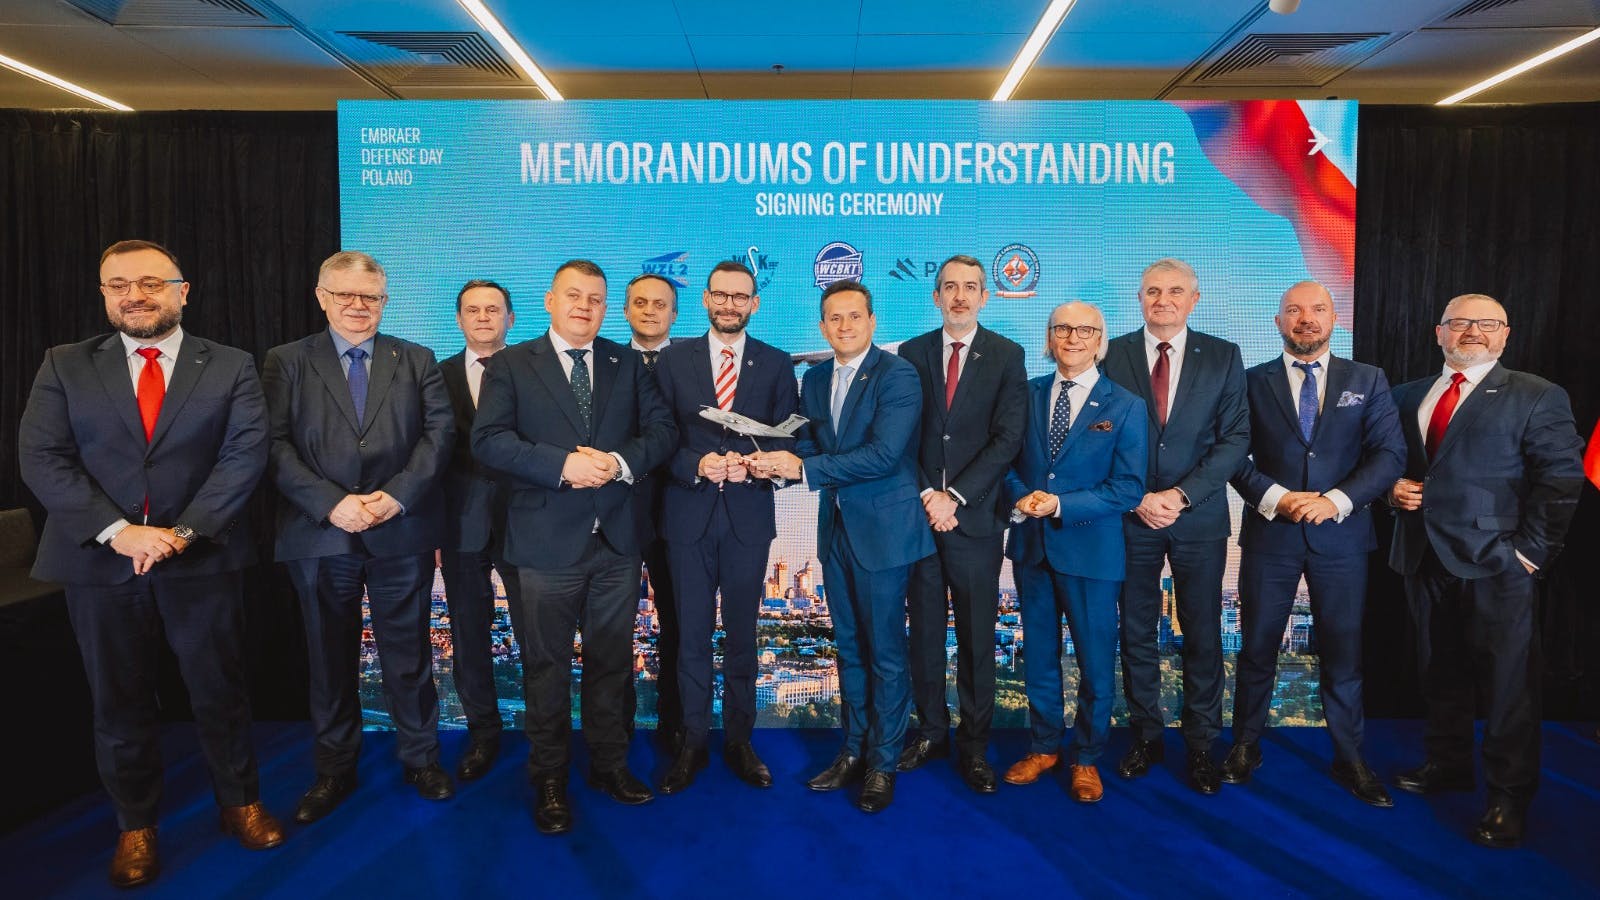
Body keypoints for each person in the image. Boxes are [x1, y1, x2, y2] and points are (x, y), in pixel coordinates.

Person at [18, 239, 283, 887]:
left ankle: (239, 802)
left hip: (202, 560)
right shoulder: (64, 364)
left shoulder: (230, 365)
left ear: (183, 291)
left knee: (220, 692)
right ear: (104, 294)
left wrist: (181, 533)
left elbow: (244, 456)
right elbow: (42, 458)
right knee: (119, 702)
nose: (134, 295)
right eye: (118, 285)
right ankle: (135, 824)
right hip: (100, 563)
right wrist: (119, 533)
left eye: (150, 283)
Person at [472, 259, 676, 834]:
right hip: (543, 544)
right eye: (573, 295)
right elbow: (488, 441)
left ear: (606, 308)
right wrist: (561, 465)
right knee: (546, 669)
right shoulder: (511, 364)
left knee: (612, 663)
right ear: (549, 300)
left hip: (617, 542)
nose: (584, 306)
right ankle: (550, 779)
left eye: (595, 299)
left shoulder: (627, 363)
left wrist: (617, 463)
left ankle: (610, 766)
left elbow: (662, 432)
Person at [263, 250, 456, 823]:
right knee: (328, 659)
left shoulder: (417, 358)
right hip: (320, 532)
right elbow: (271, 443)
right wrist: (331, 503)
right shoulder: (286, 360)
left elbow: (440, 435)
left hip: (401, 528)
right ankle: (333, 769)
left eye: (369, 296)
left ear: (384, 302)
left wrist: (396, 496)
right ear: (321, 297)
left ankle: (421, 758)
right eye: (344, 294)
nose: (357, 305)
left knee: (409, 654)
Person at [1387, 293, 1584, 848]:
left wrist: (1530, 554)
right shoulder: (1406, 395)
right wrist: (1389, 490)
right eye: (1459, 323)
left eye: (1487, 323)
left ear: (1505, 334)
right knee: (1438, 671)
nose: (1472, 331)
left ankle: (1508, 796)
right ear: (1439, 332)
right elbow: (1385, 463)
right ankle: (1448, 764)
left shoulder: (1536, 394)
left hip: (1499, 562)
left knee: (1508, 687)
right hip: (1422, 557)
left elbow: (1561, 478)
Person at [746, 279, 935, 814]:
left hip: (886, 532)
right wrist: (778, 460)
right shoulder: (814, 379)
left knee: (886, 655)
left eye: (855, 316)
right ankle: (853, 751)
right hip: (836, 531)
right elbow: (809, 442)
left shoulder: (898, 375)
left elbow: (884, 454)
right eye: (834, 318)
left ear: (872, 322)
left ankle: (883, 763)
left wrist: (802, 468)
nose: (845, 326)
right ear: (823, 327)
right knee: (849, 650)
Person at [1225, 281, 1405, 806]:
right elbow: (1231, 454)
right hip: (1271, 536)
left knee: (1344, 655)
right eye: (1295, 310)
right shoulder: (1249, 381)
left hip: (1342, 538)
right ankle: (1245, 746)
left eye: (1318, 309)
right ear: (1279, 321)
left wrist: (1335, 501)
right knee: (1257, 649)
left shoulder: (1368, 380)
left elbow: (1389, 455)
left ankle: (1349, 757)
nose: (1307, 318)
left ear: (1334, 319)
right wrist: (1278, 497)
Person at [1100, 258, 1249, 795]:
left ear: (1194, 299)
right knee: (1136, 632)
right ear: (1139, 298)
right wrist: (1137, 496)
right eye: (1153, 291)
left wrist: (1181, 495)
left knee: (1203, 634)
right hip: (1130, 515)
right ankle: (1146, 736)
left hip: (1198, 517)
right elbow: (1098, 434)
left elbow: (1235, 439)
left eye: (1175, 291)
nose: (1163, 300)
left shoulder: (1224, 356)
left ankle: (1202, 744)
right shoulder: (1111, 353)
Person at [652, 260, 799, 793]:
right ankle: (691, 743)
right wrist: (696, 463)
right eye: (720, 295)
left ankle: (740, 741)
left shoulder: (777, 364)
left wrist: (761, 466)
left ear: (754, 304)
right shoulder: (673, 360)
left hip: (747, 518)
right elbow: (657, 434)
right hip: (687, 515)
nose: (729, 305)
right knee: (689, 636)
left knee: (742, 637)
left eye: (740, 297)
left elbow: (788, 440)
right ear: (706, 299)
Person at [1002, 302, 1146, 803]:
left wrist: (1061, 504)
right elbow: (1005, 461)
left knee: (1095, 664)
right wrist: (1020, 496)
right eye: (1062, 328)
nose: (1073, 337)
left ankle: (1086, 757)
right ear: (1050, 337)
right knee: (1039, 660)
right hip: (1032, 550)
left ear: (1101, 341)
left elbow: (1129, 487)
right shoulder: (1026, 394)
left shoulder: (1125, 405)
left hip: (1092, 554)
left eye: (1086, 329)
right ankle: (1044, 747)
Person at [895, 254, 1027, 793]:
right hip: (920, 519)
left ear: (984, 297)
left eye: (970, 287)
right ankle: (931, 732)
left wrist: (956, 496)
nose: (960, 296)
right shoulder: (911, 353)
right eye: (950, 286)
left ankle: (974, 747)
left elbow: (1008, 439)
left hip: (975, 521)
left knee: (976, 639)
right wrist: (929, 494)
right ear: (936, 296)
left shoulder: (1007, 355)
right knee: (924, 636)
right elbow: (900, 435)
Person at [437, 279, 520, 781]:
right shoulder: (435, 374)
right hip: (459, 523)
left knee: (538, 636)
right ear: (459, 319)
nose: (483, 317)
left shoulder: (534, 369)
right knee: (469, 635)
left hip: (527, 521)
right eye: (473, 310)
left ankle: (546, 734)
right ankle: (483, 734)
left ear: (511, 318)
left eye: (493, 309)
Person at [623, 273, 682, 744]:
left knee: (679, 624)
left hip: (683, 513)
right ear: (625, 310)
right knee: (611, 629)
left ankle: (674, 725)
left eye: (659, 304)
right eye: (639, 302)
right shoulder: (603, 361)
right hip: (617, 515)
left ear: (675, 314)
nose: (649, 311)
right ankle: (614, 731)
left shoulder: (694, 363)